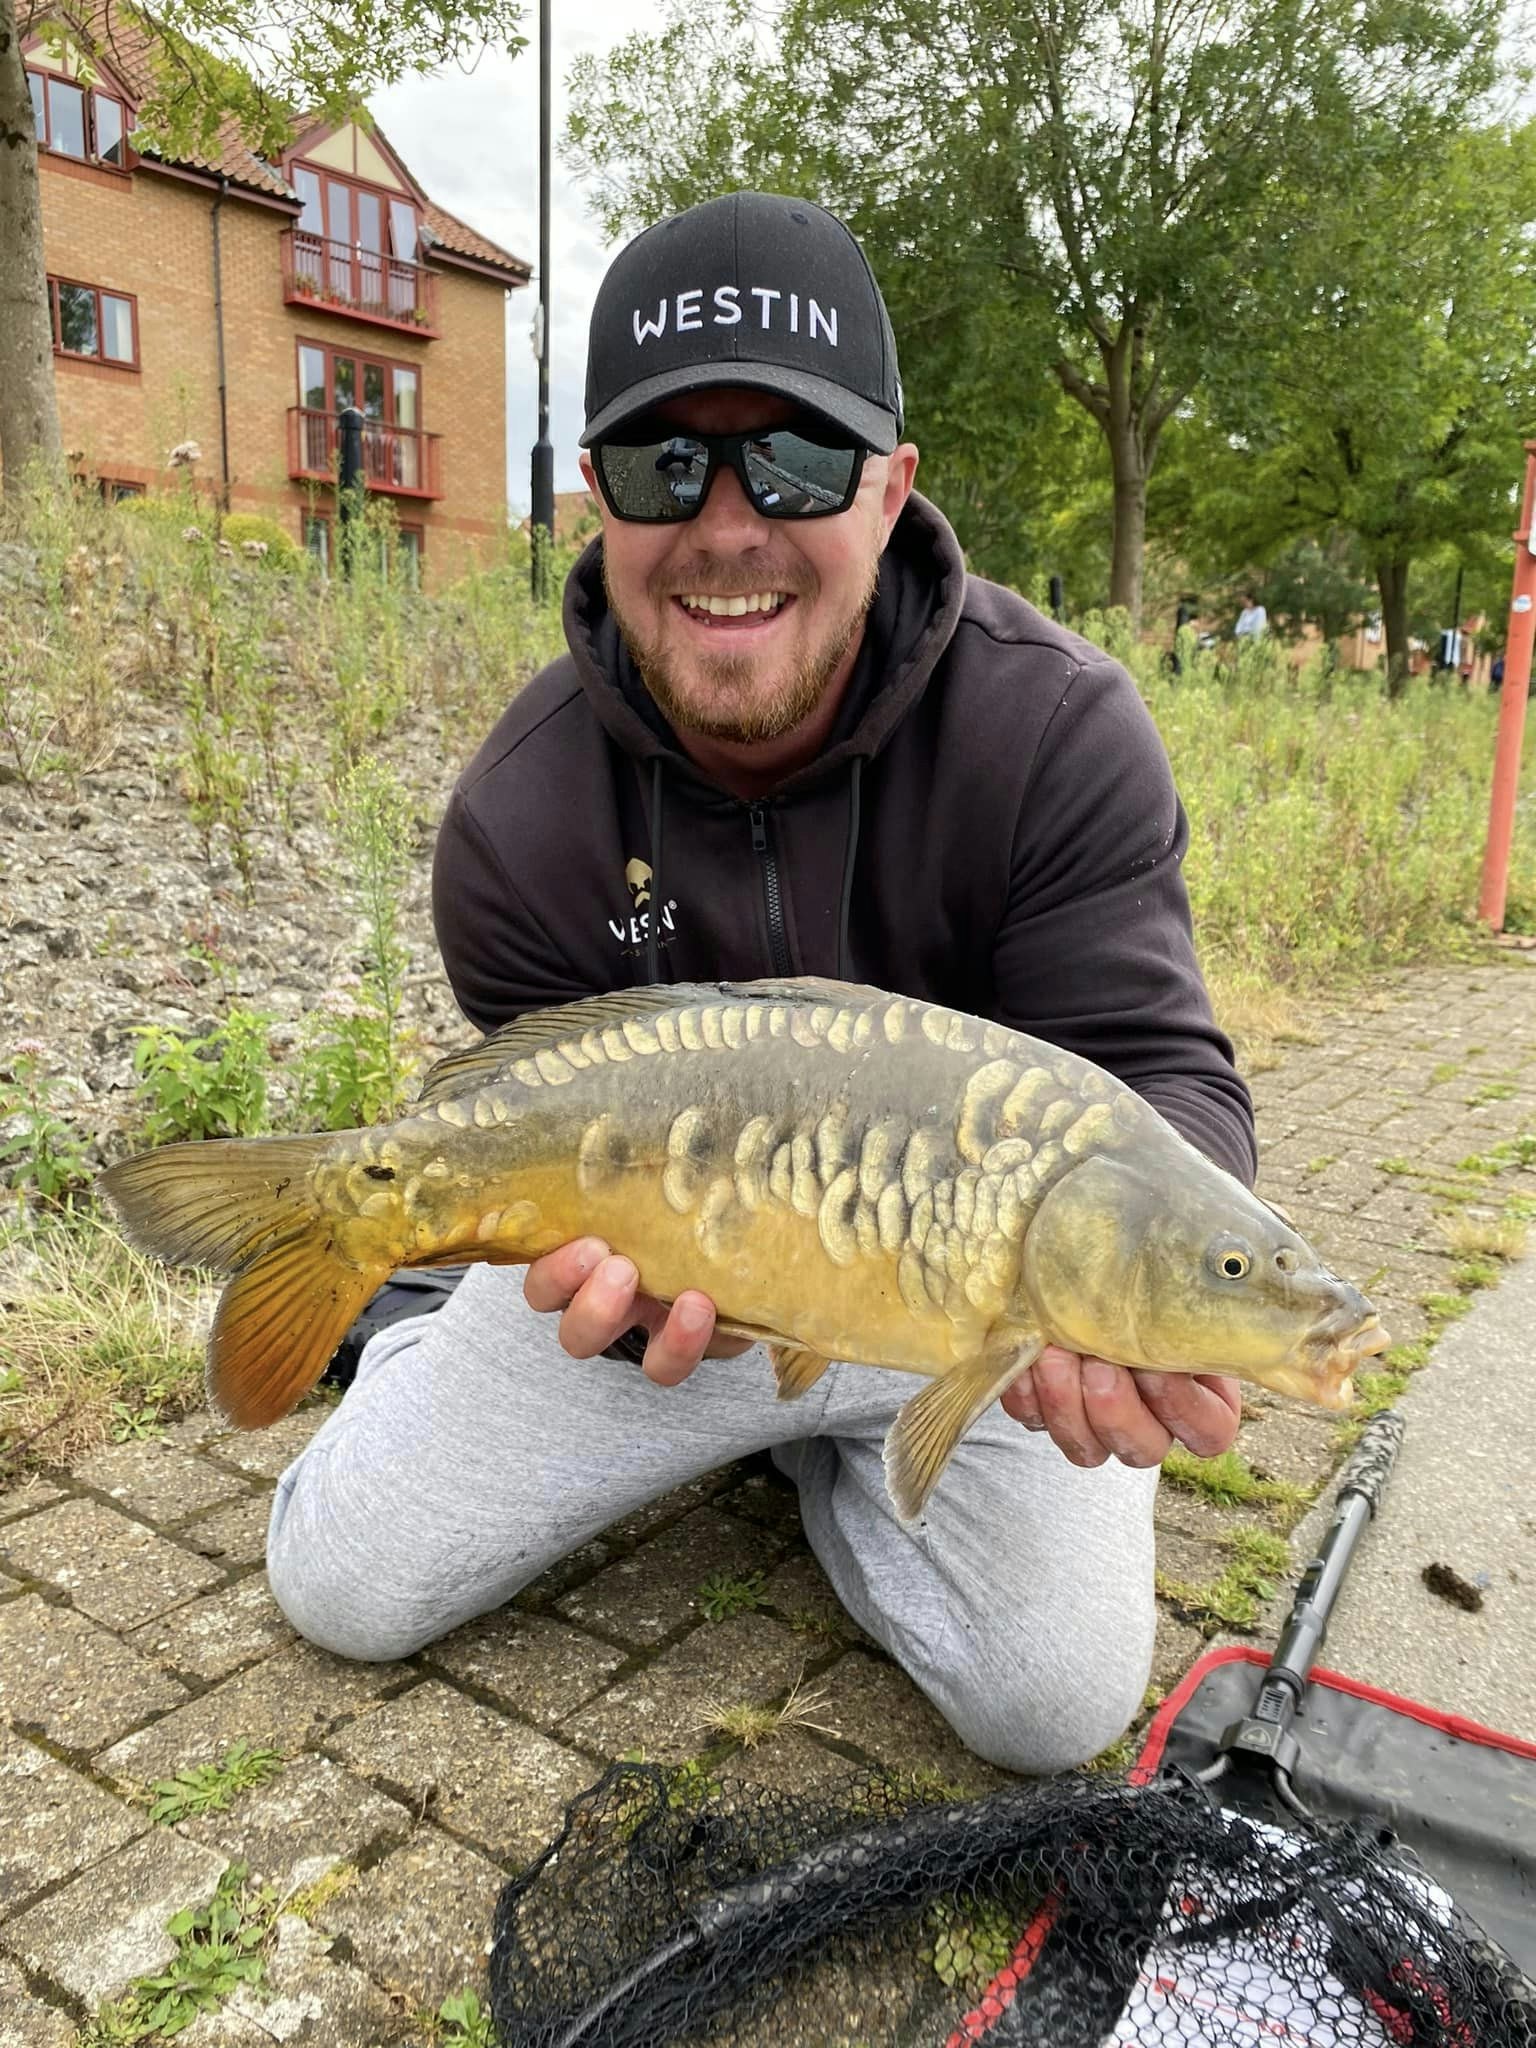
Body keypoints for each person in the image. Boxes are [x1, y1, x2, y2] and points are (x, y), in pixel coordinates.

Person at [265, 191, 1254, 1775]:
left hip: (973, 1305)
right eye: (669, 466)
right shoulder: (518, 823)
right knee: (340, 1586)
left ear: (890, 488)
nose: (729, 525)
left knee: (1052, 1711)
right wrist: (603, 1290)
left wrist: (1148, 1299)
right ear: (596, 499)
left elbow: (1164, 1078)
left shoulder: (1057, 732)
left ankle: (832, 1464)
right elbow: (545, 1161)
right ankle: (416, 1320)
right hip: (677, 1289)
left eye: (795, 459)